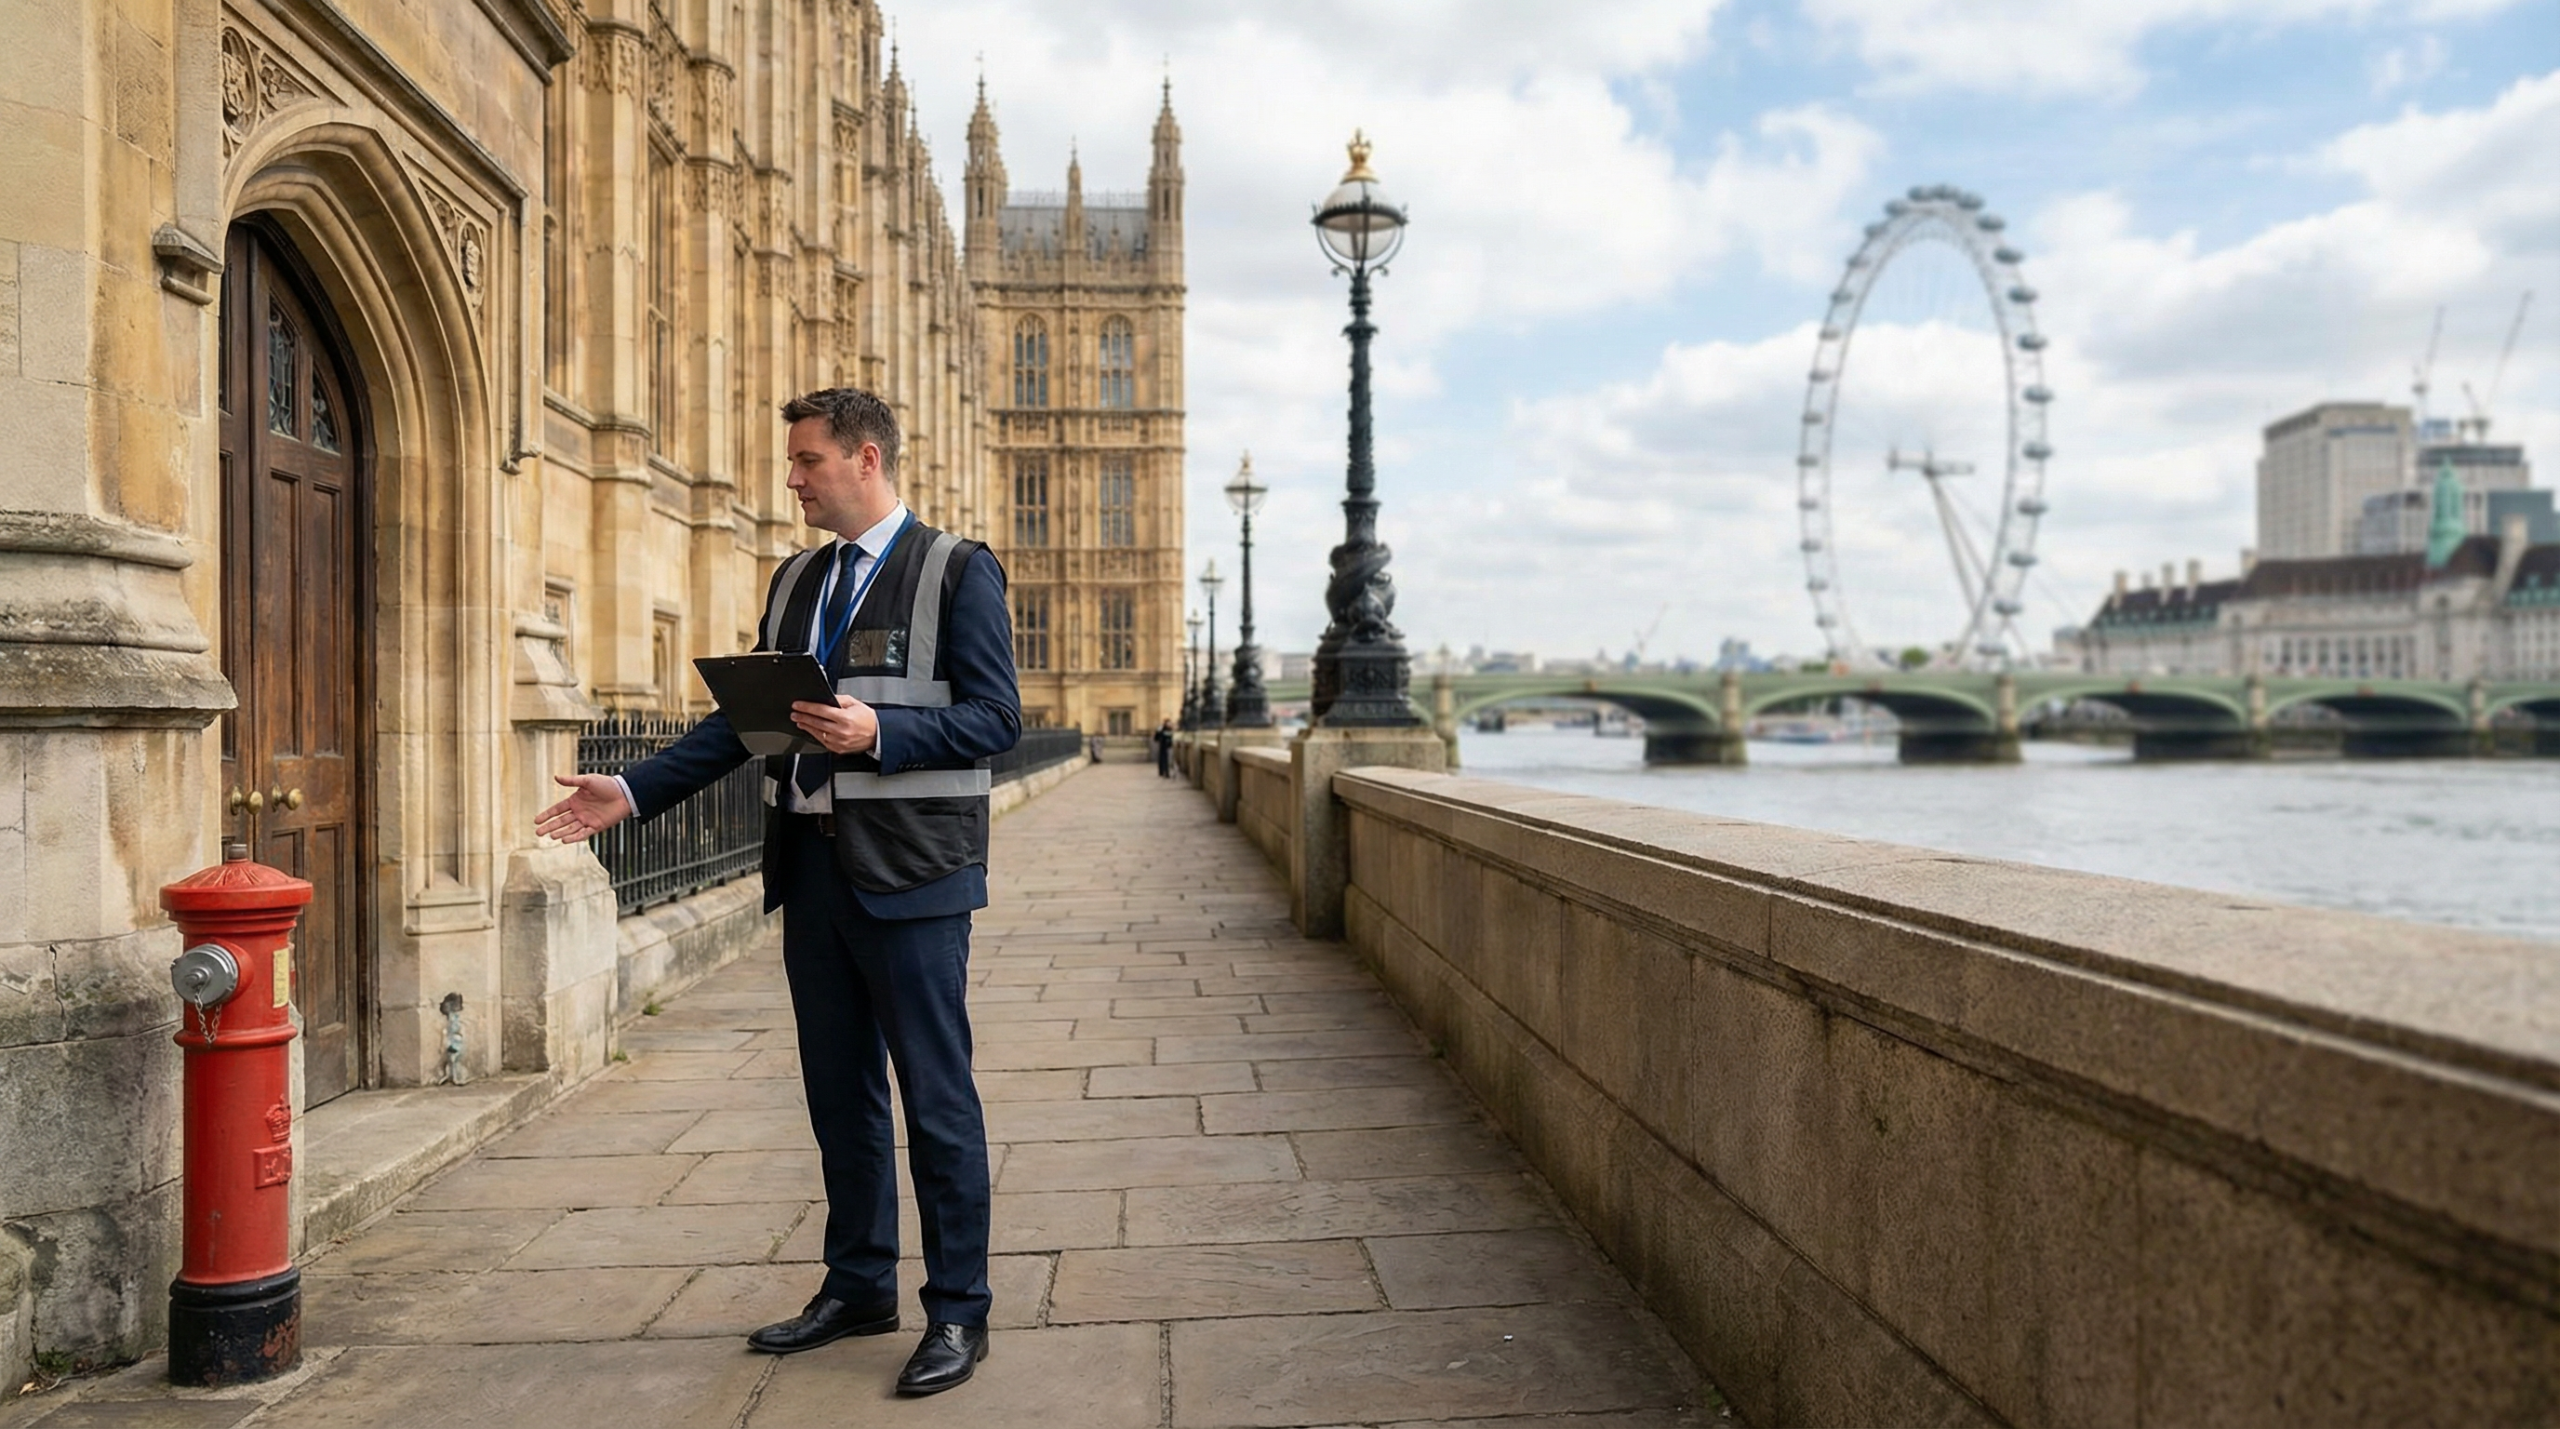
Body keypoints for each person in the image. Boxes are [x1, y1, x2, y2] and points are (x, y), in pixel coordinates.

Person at [535, 387, 1017, 1398]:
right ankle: (858, 1284)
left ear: (866, 459)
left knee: (935, 1100)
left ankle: (959, 1311)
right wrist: (629, 788)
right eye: (792, 462)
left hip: (916, 876)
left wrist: (880, 735)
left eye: (805, 461)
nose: (790, 479)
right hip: (810, 872)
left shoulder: (957, 571)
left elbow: (995, 718)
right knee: (838, 1096)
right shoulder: (798, 577)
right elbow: (740, 723)